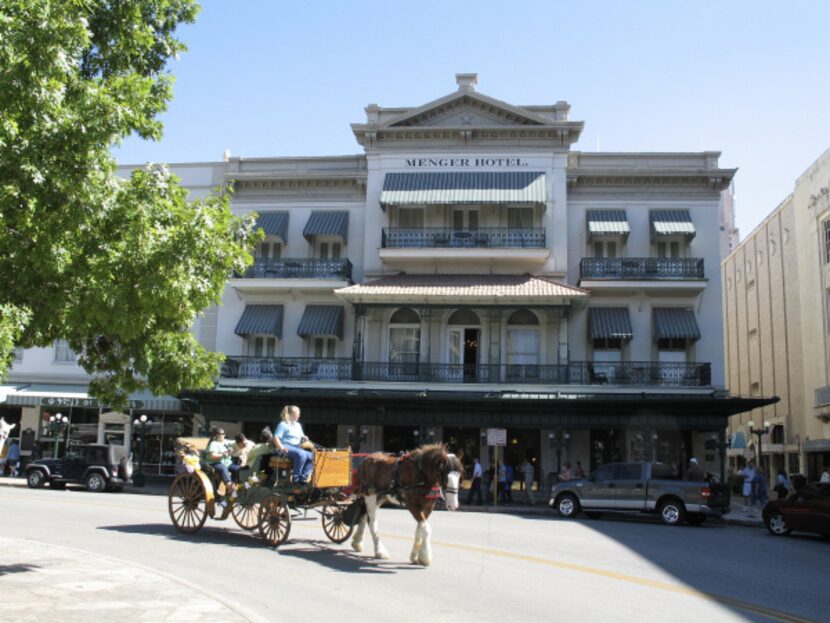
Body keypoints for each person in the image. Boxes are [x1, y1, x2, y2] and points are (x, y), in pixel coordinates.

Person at [273, 405, 314, 484]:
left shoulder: (298, 425)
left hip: (296, 447)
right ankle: (296, 479)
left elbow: (301, 436)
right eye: (298, 413)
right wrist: (281, 448)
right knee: (301, 453)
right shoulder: (283, 424)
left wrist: (305, 437)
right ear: (291, 414)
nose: (299, 415)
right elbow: (276, 438)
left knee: (312, 456)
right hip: (284, 446)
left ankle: (303, 478)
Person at [205, 428, 235, 501]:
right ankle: (229, 486)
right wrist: (222, 454)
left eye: (224, 434)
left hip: (227, 462)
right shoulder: (213, 443)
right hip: (215, 463)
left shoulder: (225, 442)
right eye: (222, 434)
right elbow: (212, 456)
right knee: (223, 468)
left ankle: (236, 485)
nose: (223, 435)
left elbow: (235, 442)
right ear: (217, 435)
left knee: (236, 468)